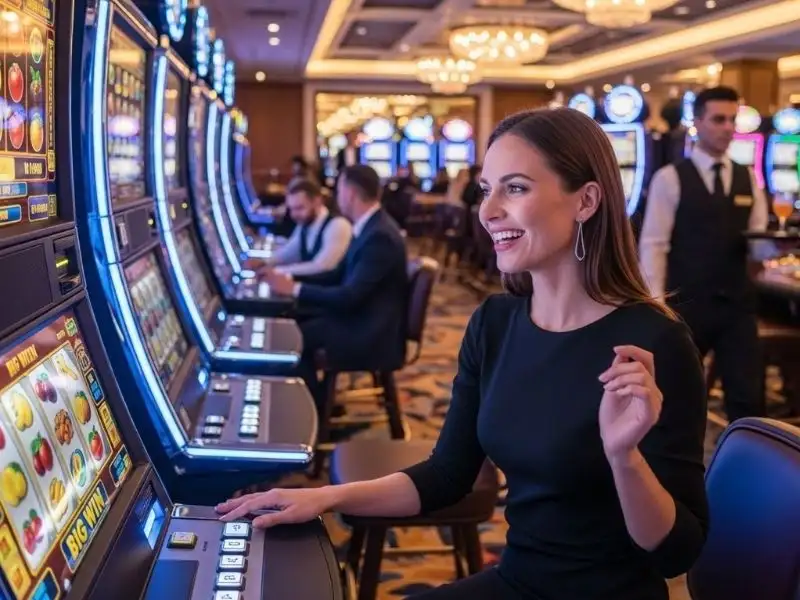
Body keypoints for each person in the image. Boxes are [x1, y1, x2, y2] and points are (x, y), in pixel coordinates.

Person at [218, 108, 709, 599]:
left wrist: (623, 458)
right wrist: (324, 497)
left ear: (586, 201)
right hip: (518, 580)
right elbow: (448, 475)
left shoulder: (656, 343)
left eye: (514, 188)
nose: (488, 210)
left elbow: (675, 554)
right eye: (486, 188)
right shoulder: (494, 323)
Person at [639, 85, 768, 422]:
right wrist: (657, 303)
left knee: (746, 397)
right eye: (719, 119)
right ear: (697, 122)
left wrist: (772, 252)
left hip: (737, 306)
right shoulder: (670, 179)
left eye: (732, 120)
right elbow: (654, 245)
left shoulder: (748, 178)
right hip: (687, 304)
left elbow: (758, 241)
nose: (728, 127)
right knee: (678, 397)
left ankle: (747, 468)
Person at [259, 165, 407, 408]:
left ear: (349, 193)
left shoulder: (379, 236)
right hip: (362, 319)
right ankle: (317, 404)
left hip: (371, 333)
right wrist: (292, 284)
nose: (337, 197)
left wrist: (295, 289)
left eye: (339, 190)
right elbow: (337, 274)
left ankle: (313, 413)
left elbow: (350, 296)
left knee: (292, 340)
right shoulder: (371, 227)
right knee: (292, 323)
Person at [260, 178, 352, 277]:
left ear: (317, 201)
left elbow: (323, 266)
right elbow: (289, 252)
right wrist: (263, 263)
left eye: (299, 208)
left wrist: (277, 272)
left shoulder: (337, 224)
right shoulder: (305, 224)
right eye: (291, 209)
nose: (294, 215)